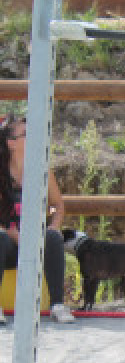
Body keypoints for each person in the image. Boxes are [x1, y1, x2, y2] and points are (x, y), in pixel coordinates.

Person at [0, 115, 75, 323]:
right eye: (26, 134)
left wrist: (54, 226)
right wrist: (20, 238)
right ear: (11, 143)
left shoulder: (41, 169)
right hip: (8, 241)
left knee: (52, 238)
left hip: (33, 241)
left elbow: (58, 205)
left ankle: (57, 305)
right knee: (0, 239)